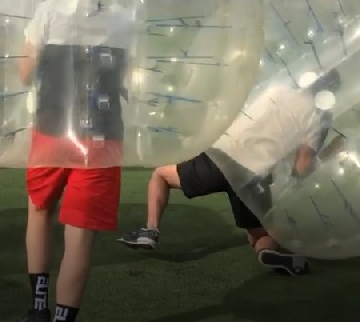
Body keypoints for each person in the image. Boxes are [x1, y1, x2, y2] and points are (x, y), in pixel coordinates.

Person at [118, 69, 342, 276]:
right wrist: (329, 154)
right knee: (261, 235)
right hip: (255, 176)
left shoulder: (278, 89)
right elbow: (302, 167)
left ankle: (150, 230)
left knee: (161, 175)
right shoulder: (320, 118)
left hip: (222, 156)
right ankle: (265, 252)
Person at [15, 0, 132, 322]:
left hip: (51, 129)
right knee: (80, 233)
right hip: (102, 135)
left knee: (39, 209)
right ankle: (64, 317)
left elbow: (24, 72)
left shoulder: (47, 12)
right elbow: (128, 77)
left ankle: (38, 304)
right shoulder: (118, 18)